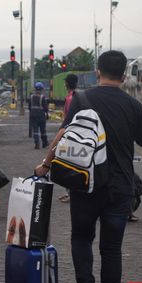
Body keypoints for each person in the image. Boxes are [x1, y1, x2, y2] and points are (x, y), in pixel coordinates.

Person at [34, 50, 142, 283]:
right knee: (112, 250)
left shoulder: (81, 99)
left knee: (80, 238)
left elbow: (63, 134)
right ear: (125, 75)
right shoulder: (132, 105)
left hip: (85, 184)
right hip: (120, 189)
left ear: (98, 71)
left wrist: (46, 165)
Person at [58, 74, 79, 203]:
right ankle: (70, 192)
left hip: (69, 135)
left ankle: (71, 193)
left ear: (67, 84)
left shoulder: (70, 99)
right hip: (76, 135)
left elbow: (68, 119)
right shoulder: (78, 97)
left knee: (68, 164)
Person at [29, 82, 49, 149]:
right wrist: (47, 114)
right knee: (43, 130)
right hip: (41, 116)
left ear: (35, 89)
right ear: (41, 89)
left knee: (35, 130)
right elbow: (45, 108)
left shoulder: (31, 97)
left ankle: (37, 144)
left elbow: (29, 107)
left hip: (33, 115)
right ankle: (44, 143)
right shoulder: (42, 97)